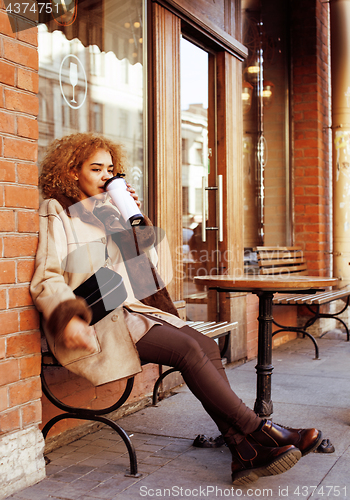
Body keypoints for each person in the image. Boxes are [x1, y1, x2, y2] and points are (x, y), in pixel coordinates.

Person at [31, 132, 322, 485]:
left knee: (207, 345)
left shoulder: (109, 211)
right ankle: (261, 432)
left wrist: (134, 221)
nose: (107, 175)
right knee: (187, 349)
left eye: (110, 168)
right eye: (96, 168)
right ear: (72, 172)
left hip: (130, 310)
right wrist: (70, 319)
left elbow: (146, 271)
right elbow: (47, 278)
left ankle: (244, 451)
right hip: (92, 321)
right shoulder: (57, 210)